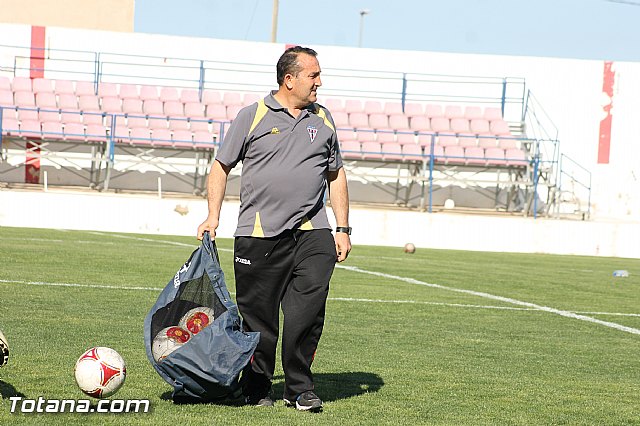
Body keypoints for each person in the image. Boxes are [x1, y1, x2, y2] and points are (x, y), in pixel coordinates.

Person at [197, 46, 351, 412]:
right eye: (313, 75)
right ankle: (256, 385)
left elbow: (336, 173)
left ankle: (299, 388)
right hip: (258, 236)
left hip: (313, 232)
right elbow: (221, 166)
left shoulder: (323, 119)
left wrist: (342, 227)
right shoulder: (251, 116)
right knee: (258, 321)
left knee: (306, 314)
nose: (319, 82)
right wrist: (212, 215)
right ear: (289, 79)